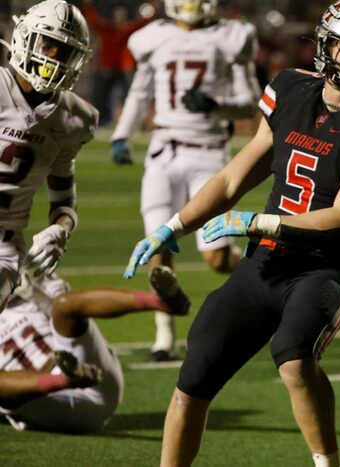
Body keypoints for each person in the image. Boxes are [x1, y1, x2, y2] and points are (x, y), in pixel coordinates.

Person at [122, 1, 340, 465]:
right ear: (326, 45)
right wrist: (172, 226)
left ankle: (326, 463)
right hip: (263, 262)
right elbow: (230, 179)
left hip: (324, 266)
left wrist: (255, 221)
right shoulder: (289, 89)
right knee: (196, 372)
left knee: (294, 358)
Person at [110, 0, 260, 361]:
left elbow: (249, 101)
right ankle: (164, 336)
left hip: (208, 153)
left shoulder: (230, 37)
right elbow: (140, 91)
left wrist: (214, 104)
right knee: (156, 244)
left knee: (215, 257)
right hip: (163, 151)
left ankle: (255, 275)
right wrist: (122, 134)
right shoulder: (154, 37)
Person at [0, 267, 189, 432]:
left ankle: (163, 303)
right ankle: (63, 379)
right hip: (47, 399)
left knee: (65, 305)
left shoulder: (27, 285)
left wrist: (39, 295)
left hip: (91, 375)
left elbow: (69, 314)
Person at [0, 0, 96, 313]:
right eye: (48, 45)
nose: (53, 58)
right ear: (23, 37)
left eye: (64, 52)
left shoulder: (74, 117)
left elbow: (64, 200)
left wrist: (61, 229)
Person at [81, 0, 154, 127]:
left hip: (125, 68)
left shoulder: (128, 29)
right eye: (118, 15)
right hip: (107, 67)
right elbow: (93, 20)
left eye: (122, 16)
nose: (120, 18)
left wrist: (152, 10)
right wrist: (88, 5)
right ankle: (102, 121)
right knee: (101, 96)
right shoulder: (107, 29)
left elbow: (142, 23)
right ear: (113, 16)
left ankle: (131, 122)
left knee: (131, 95)